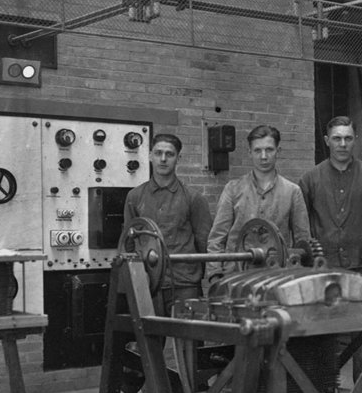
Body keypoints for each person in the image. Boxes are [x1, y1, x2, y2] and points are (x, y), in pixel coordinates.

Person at [121, 132, 212, 315]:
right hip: (149, 282)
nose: (163, 159)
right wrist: (138, 277)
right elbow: (128, 243)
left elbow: (204, 243)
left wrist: (196, 277)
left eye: (169, 154)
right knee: (150, 340)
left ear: (178, 158)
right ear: (149, 156)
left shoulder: (193, 198)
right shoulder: (135, 197)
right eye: (158, 153)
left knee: (188, 339)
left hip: (185, 283)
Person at [207, 125, 311, 280]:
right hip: (237, 277)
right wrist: (215, 276)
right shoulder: (233, 190)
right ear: (250, 152)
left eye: (269, 150)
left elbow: (303, 241)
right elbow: (217, 239)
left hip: (277, 276)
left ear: (278, 152)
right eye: (257, 150)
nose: (263, 156)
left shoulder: (292, 192)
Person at [299, 116, 362, 273]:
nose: (343, 144)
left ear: (355, 140)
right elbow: (302, 228)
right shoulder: (309, 179)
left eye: (348, 138)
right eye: (337, 138)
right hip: (322, 267)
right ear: (326, 140)